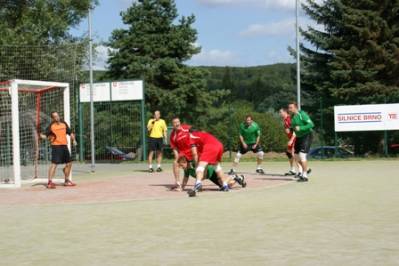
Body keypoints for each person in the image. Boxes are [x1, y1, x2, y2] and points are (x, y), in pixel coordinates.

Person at [177, 155, 246, 197]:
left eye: (181, 165)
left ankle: (233, 176)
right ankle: (239, 178)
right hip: (208, 176)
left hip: (212, 171)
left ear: (185, 162)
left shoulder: (194, 164)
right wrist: (182, 188)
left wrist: (197, 186)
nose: (181, 167)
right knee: (227, 185)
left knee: (223, 184)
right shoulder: (186, 169)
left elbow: (201, 174)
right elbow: (185, 179)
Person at [40, 111, 76, 189]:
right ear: (53, 118)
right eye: (55, 117)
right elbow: (44, 135)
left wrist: (73, 139)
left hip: (64, 146)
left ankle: (66, 181)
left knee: (69, 163)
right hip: (56, 147)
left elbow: (70, 132)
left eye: (57, 116)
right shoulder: (51, 126)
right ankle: (49, 182)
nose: (57, 117)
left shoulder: (64, 123)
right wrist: (42, 136)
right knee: (54, 164)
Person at [189, 131, 229, 195]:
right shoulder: (201, 134)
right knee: (217, 166)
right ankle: (225, 185)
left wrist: (197, 165)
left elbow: (194, 154)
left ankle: (198, 183)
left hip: (210, 146)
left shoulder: (191, 136)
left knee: (200, 166)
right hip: (219, 145)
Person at [288, 102, 314, 182]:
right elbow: (294, 129)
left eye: (291, 107)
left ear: (295, 107)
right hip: (299, 137)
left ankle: (305, 176)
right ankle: (306, 169)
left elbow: (311, 124)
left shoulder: (302, 114)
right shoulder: (292, 117)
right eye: (289, 108)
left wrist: (301, 128)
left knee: (302, 155)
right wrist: (291, 137)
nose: (289, 109)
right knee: (296, 156)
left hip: (307, 136)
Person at [169, 117, 193, 191]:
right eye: (175, 123)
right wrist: (177, 158)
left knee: (192, 170)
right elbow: (175, 149)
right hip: (183, 154)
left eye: (178, 122)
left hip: (193, 151)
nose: (177, 124)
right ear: (172, 124)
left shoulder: (187, 128)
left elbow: (197, 134)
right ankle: (178, 183)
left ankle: (198, 182)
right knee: (175, 163)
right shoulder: (172, 135)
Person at [279, 108, 302, 176]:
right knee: (289, 153)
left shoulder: (289, 119)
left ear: (285, 112)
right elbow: (288, 130)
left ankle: (301, 171)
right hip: (291, 139)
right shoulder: (285, 120)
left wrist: (291, 139)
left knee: (294, 154)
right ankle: (292, 170)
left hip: (294, 138)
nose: (279, 114)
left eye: (280, 112)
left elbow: (295, 130)